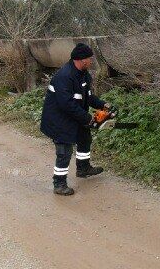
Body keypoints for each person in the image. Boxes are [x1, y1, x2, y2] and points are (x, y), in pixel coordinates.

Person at [40, 42, 109, 195]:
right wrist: (87, 117)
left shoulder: (84, 74)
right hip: (58, 119)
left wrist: (104, 105)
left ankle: (83, 168)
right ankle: (59, 184)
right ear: (81, 59)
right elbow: (66, 104)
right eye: (89, 59)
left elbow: (88, 97)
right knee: (64, 151)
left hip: (74, 115)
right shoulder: (64, 77)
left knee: (84, 138)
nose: (91, 61)